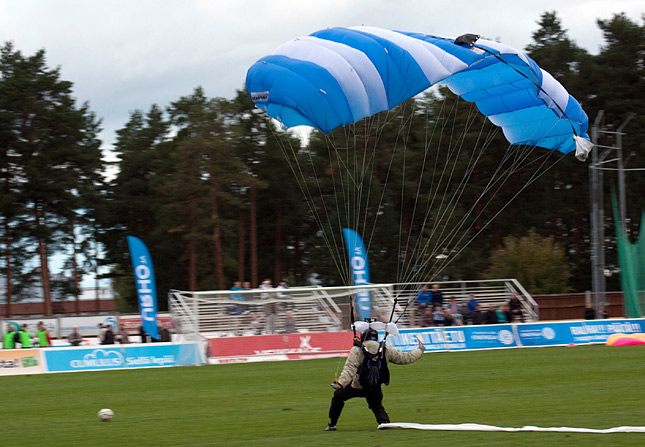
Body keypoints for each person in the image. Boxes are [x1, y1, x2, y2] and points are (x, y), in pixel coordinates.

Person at [325, 324, 425, 431]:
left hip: (357, 386)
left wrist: (340, 383)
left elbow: (350, 368)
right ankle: (384, 422)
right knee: (376, 405)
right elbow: (405, 358)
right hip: (375, 387)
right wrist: (420, 350)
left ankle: (332, 424)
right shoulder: (385, 349)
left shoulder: (357, 349)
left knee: (338, 396)